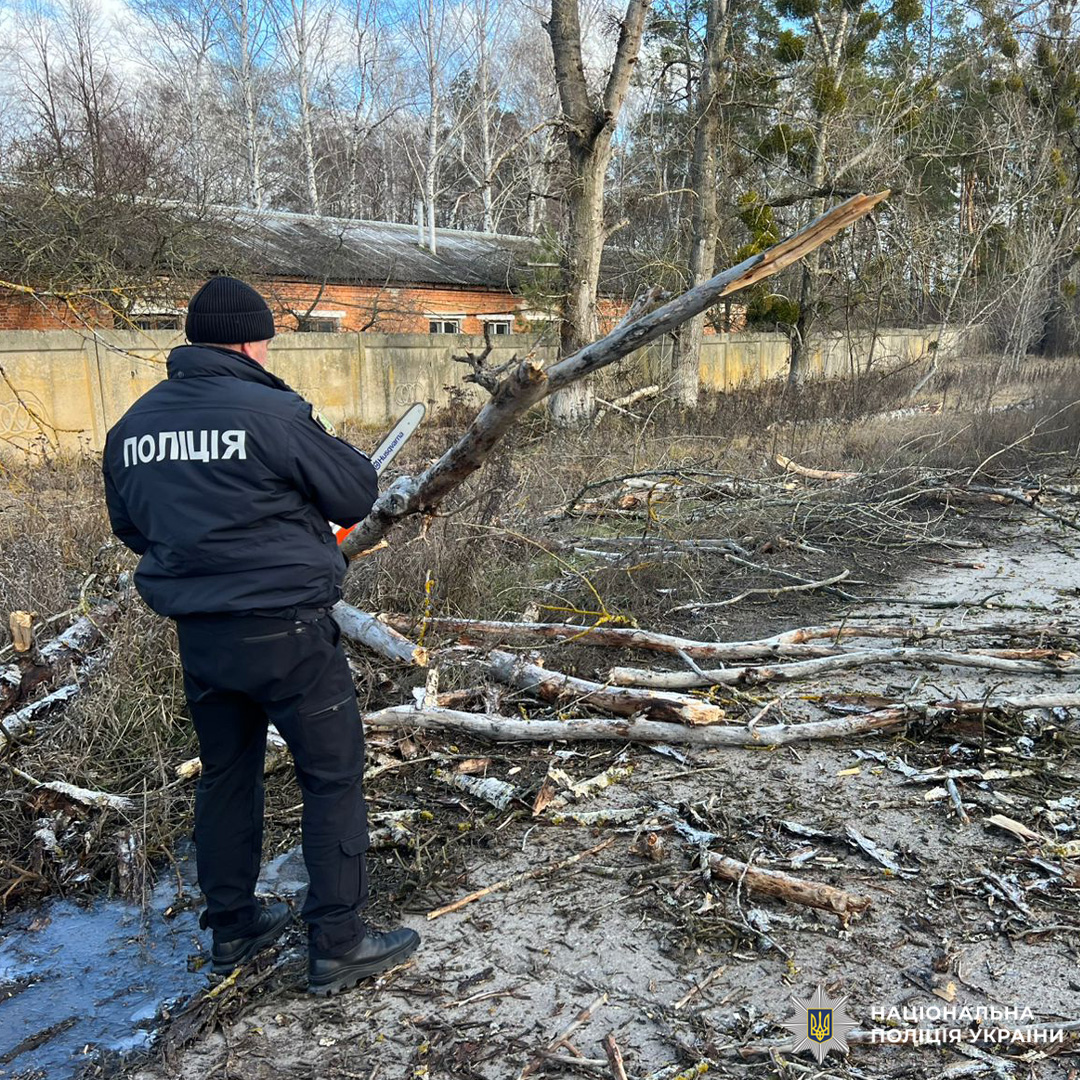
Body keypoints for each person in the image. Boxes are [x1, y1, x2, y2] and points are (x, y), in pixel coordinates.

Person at [102, 276, 420, 996]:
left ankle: (234, 928)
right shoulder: (273, 411)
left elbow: (131, 529)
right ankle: (338, 942)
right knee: (331, 776)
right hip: (290, 635)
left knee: (226, 777)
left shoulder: (133, 426)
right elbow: (355, 491)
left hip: (203, 639)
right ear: (252, 340)